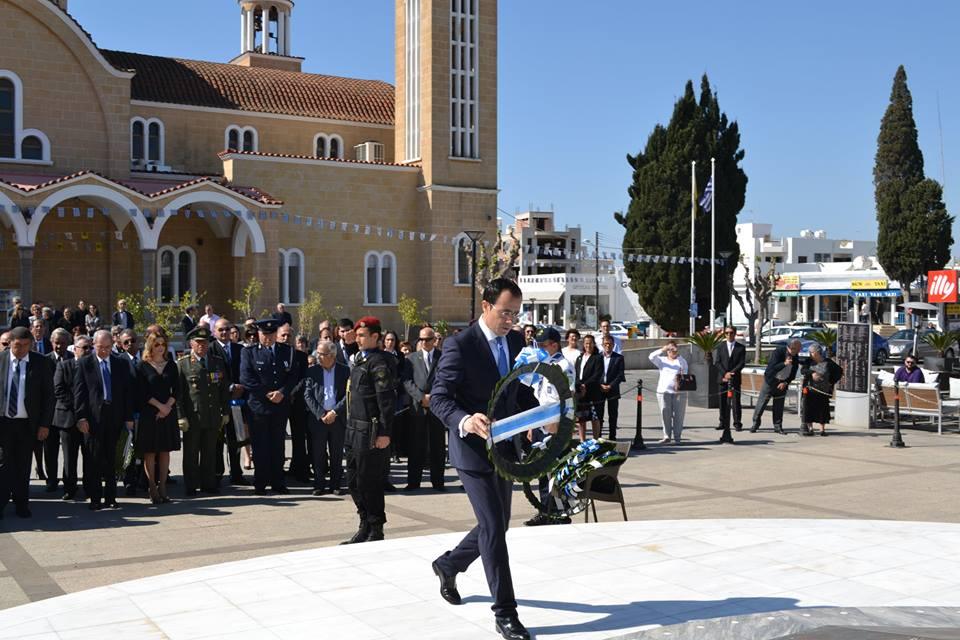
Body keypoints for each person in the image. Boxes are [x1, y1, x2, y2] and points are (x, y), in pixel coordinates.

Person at [430, 278, 538, 640]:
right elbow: (440, 397)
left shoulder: (515, 341)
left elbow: (515, 391)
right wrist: (465, 419)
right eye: (506, 312)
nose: (511, 320)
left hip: (504, 447)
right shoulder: (460, 345)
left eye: (516, 314)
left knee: (499, 524)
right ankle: (505, 613)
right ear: (486, 306)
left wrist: (540, 415)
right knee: (493, 527)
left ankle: (449, 564)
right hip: (472, 451)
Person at [340, 316, 396, 544]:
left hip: (371, 432)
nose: (358, 339)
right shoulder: (361, 360)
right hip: (353, 430)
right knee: (353, 481)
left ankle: (375, 528)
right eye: (358, 335)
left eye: (363, 335)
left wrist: (385, 432)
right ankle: (364, 522)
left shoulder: (380, 363)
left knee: (369, 481)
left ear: (376, 337)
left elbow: (386, 401)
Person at [518, 326, 574, 527]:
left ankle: (558, 512)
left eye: (543, 345)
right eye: (538, 345)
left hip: (556, 426)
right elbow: (539, 397)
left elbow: (567, 398)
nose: (539, 348)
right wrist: (534, 426)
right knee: (542, 470)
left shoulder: (563, 366)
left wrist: (557, 426)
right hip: (542, 423)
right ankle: (545, 510)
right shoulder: (544, 365)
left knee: (556, 471)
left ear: (554, 345)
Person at [74, 329, 136, 510]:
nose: (104, 351)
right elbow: (79, 393)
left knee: (112, 459)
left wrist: (129, 417)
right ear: (94, 345)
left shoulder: (120, 363)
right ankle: (95, 497)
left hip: (115, 417)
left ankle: (111, 497)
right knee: (94, 459)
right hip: (93, 419)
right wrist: (81, 417)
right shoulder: (85, 363)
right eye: (101, 347)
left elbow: (127, 393)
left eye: (108, 347)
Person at [240, 318, 301, 495]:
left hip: (279, 406)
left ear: (276, 334)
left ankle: (278, 482)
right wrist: (267, 394)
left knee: (277, 446)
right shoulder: (249, 352)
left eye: (271, 334)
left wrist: (282, 392)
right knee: (260, 447)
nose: (267, 338)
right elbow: (246, 378)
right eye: (264, 334)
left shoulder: (287, 351)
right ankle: (260, 483)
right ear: (258, 334)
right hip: (258, 406)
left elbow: (293, 375)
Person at [0, 327, 55, 519]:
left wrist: (45, 425)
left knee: (23, 466)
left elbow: (49, 397)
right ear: (10, 343)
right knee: (5, 465)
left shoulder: (41, 362)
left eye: (26, 345)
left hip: (27, 425)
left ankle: (22, 504)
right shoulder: (2, 360)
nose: (21, 349)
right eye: (17, 345)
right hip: (4, 423)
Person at [177, 327, 230, 496]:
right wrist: (181, 416)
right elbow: (179, 393)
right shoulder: (183, 363)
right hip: (193, 416)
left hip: (213, 415)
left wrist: (226, 411)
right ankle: (191, 485)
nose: (202, 346)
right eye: (198, 342)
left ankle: (209, 483)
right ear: (191, 343)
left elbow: (223, 389)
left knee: (210, 451)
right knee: (191, 453)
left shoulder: (216, 361)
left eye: (205, 342)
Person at [136, 332, 179, 503]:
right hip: (150, 414)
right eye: (157, 344)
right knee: (150, 451)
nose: (160, 347)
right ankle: (152, 486)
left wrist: (167, 406)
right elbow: (141, 393)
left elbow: (177, 390)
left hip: (168, 413)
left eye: (163, 344)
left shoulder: (171, 366)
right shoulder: (142, 366)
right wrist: (159, 407)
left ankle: (163, 486)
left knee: (164, 450)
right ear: (150, 346)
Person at [303, 341, 348, 496]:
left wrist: (334, 412)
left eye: (322, 354)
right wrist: (321, 414)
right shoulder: (312, 371)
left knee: (336, 453)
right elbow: (307, 395)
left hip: (337, 418)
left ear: (332, 355)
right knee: (318, 452)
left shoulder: (345, 371)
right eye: (318, 354)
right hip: (318, 419)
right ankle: (319, 483)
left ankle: (335, 484)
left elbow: (348, 396)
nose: (319, 357)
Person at [403, 325, 445, 491]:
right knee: (416, 445)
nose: (424, 342)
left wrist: (434, 397)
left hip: (437, 407)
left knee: (437, 445)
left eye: (428, 339)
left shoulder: (443, 357)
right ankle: (413, 481)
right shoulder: (411, 359)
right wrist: (421, 397)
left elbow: (446, 379)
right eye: (421, 339)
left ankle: (438, 482)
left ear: (434, 340)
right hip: (418, 407)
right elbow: (407, 381)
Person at [210, 319, 249, 486]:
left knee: (236, 438)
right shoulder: (210, 349)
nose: (224, 332)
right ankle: (217, 474)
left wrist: (242, 386)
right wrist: (229, 386)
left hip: (237, 401)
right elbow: (211, 375)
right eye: (221, 330)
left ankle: (236, 472)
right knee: (218, 440)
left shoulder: (240, 349)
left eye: (227, 329)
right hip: (219, 401)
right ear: (214, 332)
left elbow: (246, 370)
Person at [54, 334, 89, 501]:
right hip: (68, 418)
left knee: (90, 455)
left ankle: (90, 487)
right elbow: (59, 389)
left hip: (89, 420)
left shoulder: (92, 367)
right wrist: (78, 410)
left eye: (90, 347)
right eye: (84, 348)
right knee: (69, 456)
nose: (88, 350)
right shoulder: (64, 366)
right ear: (75, 349)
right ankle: (70, 488)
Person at [42, 328, 74, 495]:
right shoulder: (44, 360)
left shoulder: (73, 360)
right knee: (50, 449)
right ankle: (51, 480)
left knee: (68, 451)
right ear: (51, 343)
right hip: (48, 413)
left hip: (67, 413)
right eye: (56, 343)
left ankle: (68, 482)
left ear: (68, 343)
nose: (59, 346)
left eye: (62, 343)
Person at [278, 323, 311, 482]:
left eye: (288, 335)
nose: (285, 338)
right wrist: (282, 393)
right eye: (282, 335)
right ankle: (277, 469)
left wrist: (291, 393)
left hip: (296, 401)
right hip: (278, 401)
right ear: (277, 336)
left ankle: (300, 469)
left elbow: (304, 378)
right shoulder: (274, 354)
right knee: (278, 437)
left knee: (298, 437)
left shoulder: (301, 356)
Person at [751, 339, 802, 434]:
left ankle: (778, 426)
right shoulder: (778, 352)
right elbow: (773, 367)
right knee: (762, 403)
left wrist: (785, 383)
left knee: (779, 406)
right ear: (790, 347)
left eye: (799, 349)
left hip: (782, 383)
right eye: (797, 349)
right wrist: (784, 363)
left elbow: (793, 374)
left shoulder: (795, 357)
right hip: (770, 381)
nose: (798, 351)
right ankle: (755, 424)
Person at [649, 341, 689, 444]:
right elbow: (651, 357)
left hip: (679, 392)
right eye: (670, 350)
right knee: (665, 414)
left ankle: (677, 437)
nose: (672, 352)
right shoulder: (662, 360)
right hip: (664, 391)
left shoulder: (681, 360)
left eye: (674, 349)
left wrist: (678, 355)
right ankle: (666, 436)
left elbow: (684, 372)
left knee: (679, 415)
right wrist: (663, 349)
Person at [801, 343, 843, 437]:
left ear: (817, 352)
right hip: (810, 389)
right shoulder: (808, 361)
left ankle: (822, 429)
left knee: (822, 409)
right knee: (808, 409)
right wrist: (812, 373)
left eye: (811, 352)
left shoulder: (828, 362)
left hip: (823, 390)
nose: (810, 354)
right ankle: (810, 428)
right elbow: (803, 370)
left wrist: (831, 382)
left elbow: (839, 371)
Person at [714, 326, 746, 444]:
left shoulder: (740, 347)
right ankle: (722, 422)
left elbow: (741, 363)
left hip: (735, 378)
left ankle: (737, 423)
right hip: (722, 378)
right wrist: (725, 374)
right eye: (726, 333)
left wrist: (732, 373)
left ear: (735, 334)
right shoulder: (721, 346)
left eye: (731, 333)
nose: (729, 335)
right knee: (722, 402)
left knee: (735, 402)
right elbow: (717, 362)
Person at [573, 334, 603, 442]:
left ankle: (596, 440)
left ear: (594, 344)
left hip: (592, 392)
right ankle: (582, 440)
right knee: (581, 419)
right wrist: (578, 385)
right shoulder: (580, 357)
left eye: (590, 343)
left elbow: (597, 374)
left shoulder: (598, 358)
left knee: (594, 418)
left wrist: (585, 385)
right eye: (586, 343)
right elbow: (576, 373)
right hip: (580, 392)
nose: (588, 345)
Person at [598, 334, 626, 440]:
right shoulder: (598, 357)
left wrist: (611, 385)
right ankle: (598, 435)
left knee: (613, 414)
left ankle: (612, 436)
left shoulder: (619, 358)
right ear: (602, 345)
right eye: (605, 344)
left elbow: (620, 375)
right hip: (599, 389)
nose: (608, 346)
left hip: (613, 390)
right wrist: (599, 385)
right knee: (599, 415)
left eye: (610, 344)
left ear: (613, 345)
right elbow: (595, 373)